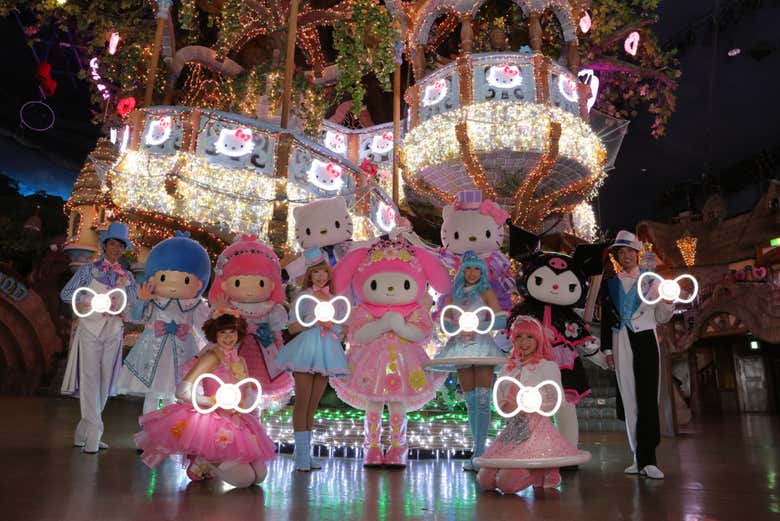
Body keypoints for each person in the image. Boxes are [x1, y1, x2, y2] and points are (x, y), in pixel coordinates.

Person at [135, 310, 275, 488]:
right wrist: (213, 401)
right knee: (245, 479)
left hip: (236, 418)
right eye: (222, 332)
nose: (228, 337)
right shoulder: (211, 357)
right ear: (214, 334)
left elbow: (247, 390)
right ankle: (203, 459)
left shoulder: (240, 360)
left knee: (260, 476)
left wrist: (245, 404)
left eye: (232, 331)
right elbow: (182, 391)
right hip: (212, 418)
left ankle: (209, 461)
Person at [477, 316, 583, 493]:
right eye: (519, 337)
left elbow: (557, 398)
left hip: (537, 430)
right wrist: (505, 406)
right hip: (513, 429)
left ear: (538, 339)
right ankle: (534, 470)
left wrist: (531, 400)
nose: (523, 342)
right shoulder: (509, 368)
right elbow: (500, 398)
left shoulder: (547, 366)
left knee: (507, 485)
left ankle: (540, 471)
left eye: (529, 337)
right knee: (485, 480)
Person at [600, 230, 675, 480]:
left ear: (637, 254)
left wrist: (668, 300)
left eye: (629, 251)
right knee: (628, 397)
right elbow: (606, 320)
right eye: (621, 252)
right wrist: (607, 350)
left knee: (647, 396)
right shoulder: (610, 284)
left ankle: (650, 458)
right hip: (620, 339)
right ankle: (637, 456)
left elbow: (662, 317)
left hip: (645, 337)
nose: (626, 256)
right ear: (617, 256)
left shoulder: (652, 281)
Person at [61, 222, 138, 453]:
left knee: (105, 382)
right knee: (90, 379)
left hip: (113, 331)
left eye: (119, 244)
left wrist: (128, 307)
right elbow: (66, 294)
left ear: (123, 249)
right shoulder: (88, 270)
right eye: (112, 243)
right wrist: (87, 303)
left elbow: (133, 305)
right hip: (91, 329)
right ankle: (94, 433)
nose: (115, 248)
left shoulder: (127, 277)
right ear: (105, 245)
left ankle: (83, 431)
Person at [116, 232, 211, 415]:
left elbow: (206, 328)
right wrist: (142, 301)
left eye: (185, 279)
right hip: (153, 350)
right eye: (164, 278)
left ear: (199, 283)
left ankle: (168, 432)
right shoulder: (153, 300)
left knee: (177, 393)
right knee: (152, 393)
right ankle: (148, 431)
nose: (174, 285)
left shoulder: (195, 305)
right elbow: (136, 318)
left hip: (183, 351)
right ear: (152, 278)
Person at [429, 251, 507, 471]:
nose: (472, 273)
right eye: (469, 268)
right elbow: (444, 322)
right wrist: (458, 329)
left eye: (476, 269)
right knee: (471, 401)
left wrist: (480, 327)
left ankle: (482, 452)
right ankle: (477, 449)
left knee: (483, 399)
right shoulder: (453, 295)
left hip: (482, 346)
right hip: (460, 346)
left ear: (481, 272)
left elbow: (500, 320)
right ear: (462, 271)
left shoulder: (486, 291)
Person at [276, 249, 350, 471]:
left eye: (323, 272)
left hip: (327, 351)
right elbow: (292, 327)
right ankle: (300, 458)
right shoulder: (303, 297)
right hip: (306, 350)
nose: (320, 276)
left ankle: (305, 455)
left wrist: (332, 325)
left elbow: (342, 328)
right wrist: (313, 320)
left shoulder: (335, 299)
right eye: (315, 272)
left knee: (312, 405)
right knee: (302, 402)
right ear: (309, 274)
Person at [208, 235, 294, 408]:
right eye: (238, 282)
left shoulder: (270, 307)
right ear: (224, 284)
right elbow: (212, 330)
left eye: (260, 282)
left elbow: (279, 324)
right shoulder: (228, 305)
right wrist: (221, 311)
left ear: (272, 284)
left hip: (264, 355)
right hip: (234, 353)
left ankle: (253, 427)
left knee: (256, 393)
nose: (248, 290)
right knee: (232, 390)